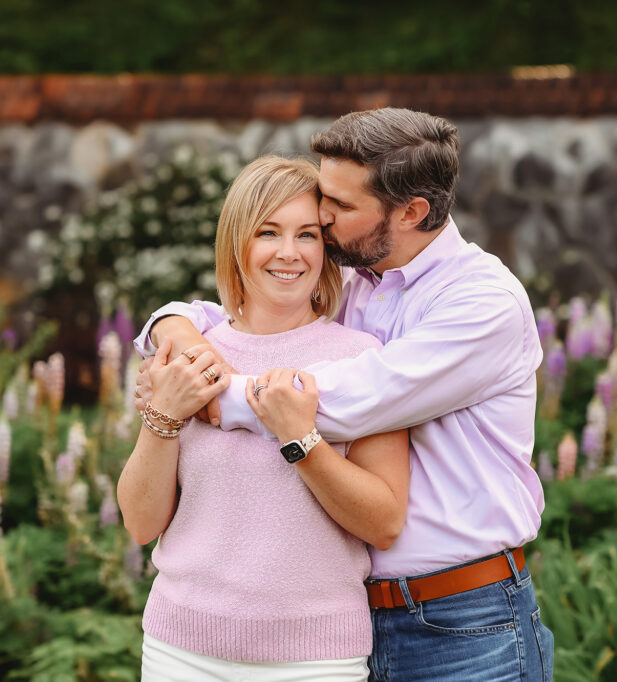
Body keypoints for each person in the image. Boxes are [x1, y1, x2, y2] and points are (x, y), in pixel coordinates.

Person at [135, 107, 553, 681]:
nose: (322, 219)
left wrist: (203, 392)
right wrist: (173, 328)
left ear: (411, 212)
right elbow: (245, 309)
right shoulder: (357, 277)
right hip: (353, 616)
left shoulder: (482, 304)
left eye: (340, 205)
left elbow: (351, 397)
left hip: (462, 621)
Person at [118, 155, 410, 681]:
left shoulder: (363, 359)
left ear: (327, 249)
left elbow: (384, 523)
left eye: (307, 235)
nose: (288, 253)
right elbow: (141, 525)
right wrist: (163, 415)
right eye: (268, 232)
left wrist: (300, 438)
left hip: (313, 661)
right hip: (180, 651)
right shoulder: (190, 353)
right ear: (237, 243)